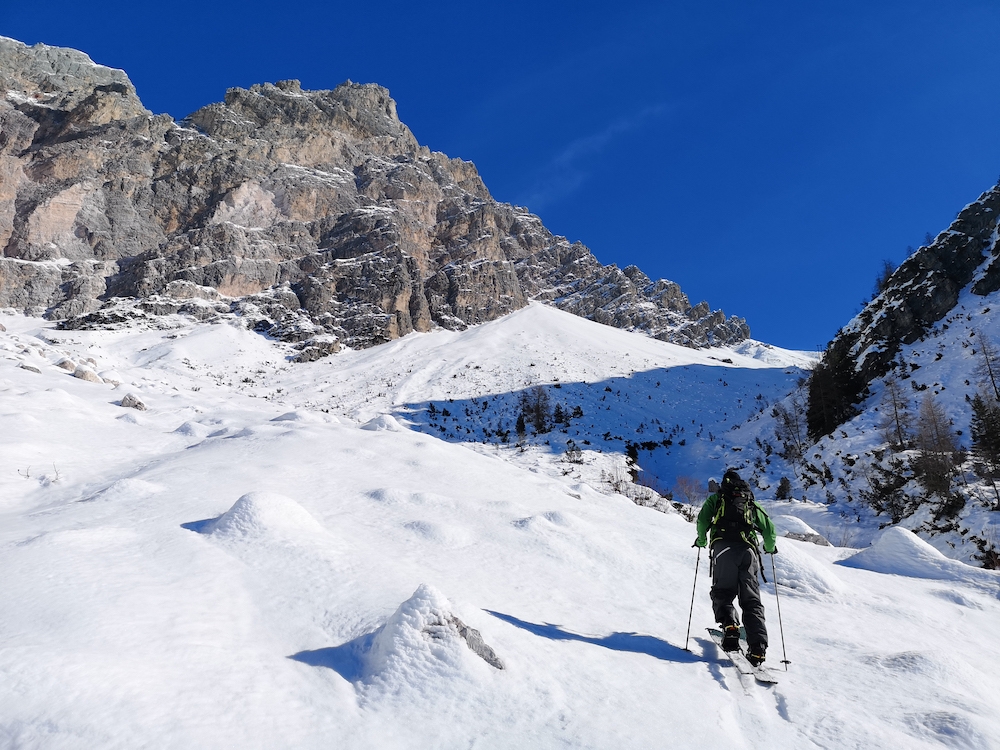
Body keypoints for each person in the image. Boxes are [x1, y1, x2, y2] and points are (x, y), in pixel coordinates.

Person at [694, 469, 777, 667]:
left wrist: (701, 539)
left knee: (723, 590)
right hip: (748, 552)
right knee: (751, 600)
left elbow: (703, 520)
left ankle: (730, 625)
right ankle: (758, 648)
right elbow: (769, 528)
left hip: (723, 549)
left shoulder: (717, 499)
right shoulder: (750, 502)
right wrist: (769, 547)